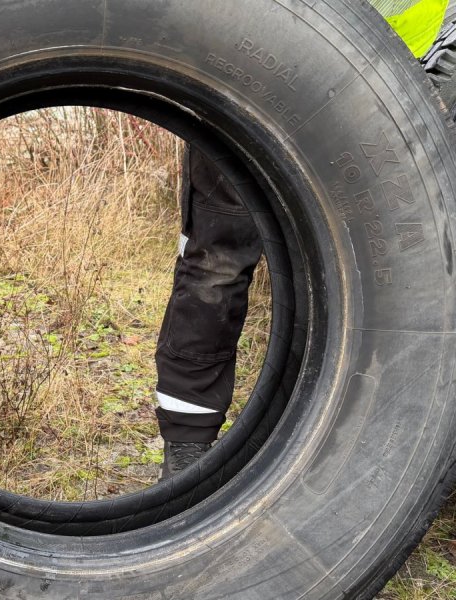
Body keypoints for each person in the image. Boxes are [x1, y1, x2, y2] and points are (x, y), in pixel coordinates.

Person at [156, 0, 450, 479]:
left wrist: (435, 96)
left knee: (366, 278)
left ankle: (327, 434)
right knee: (217, 262)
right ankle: (187, 445)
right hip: (254, 74)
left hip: (386, 104)